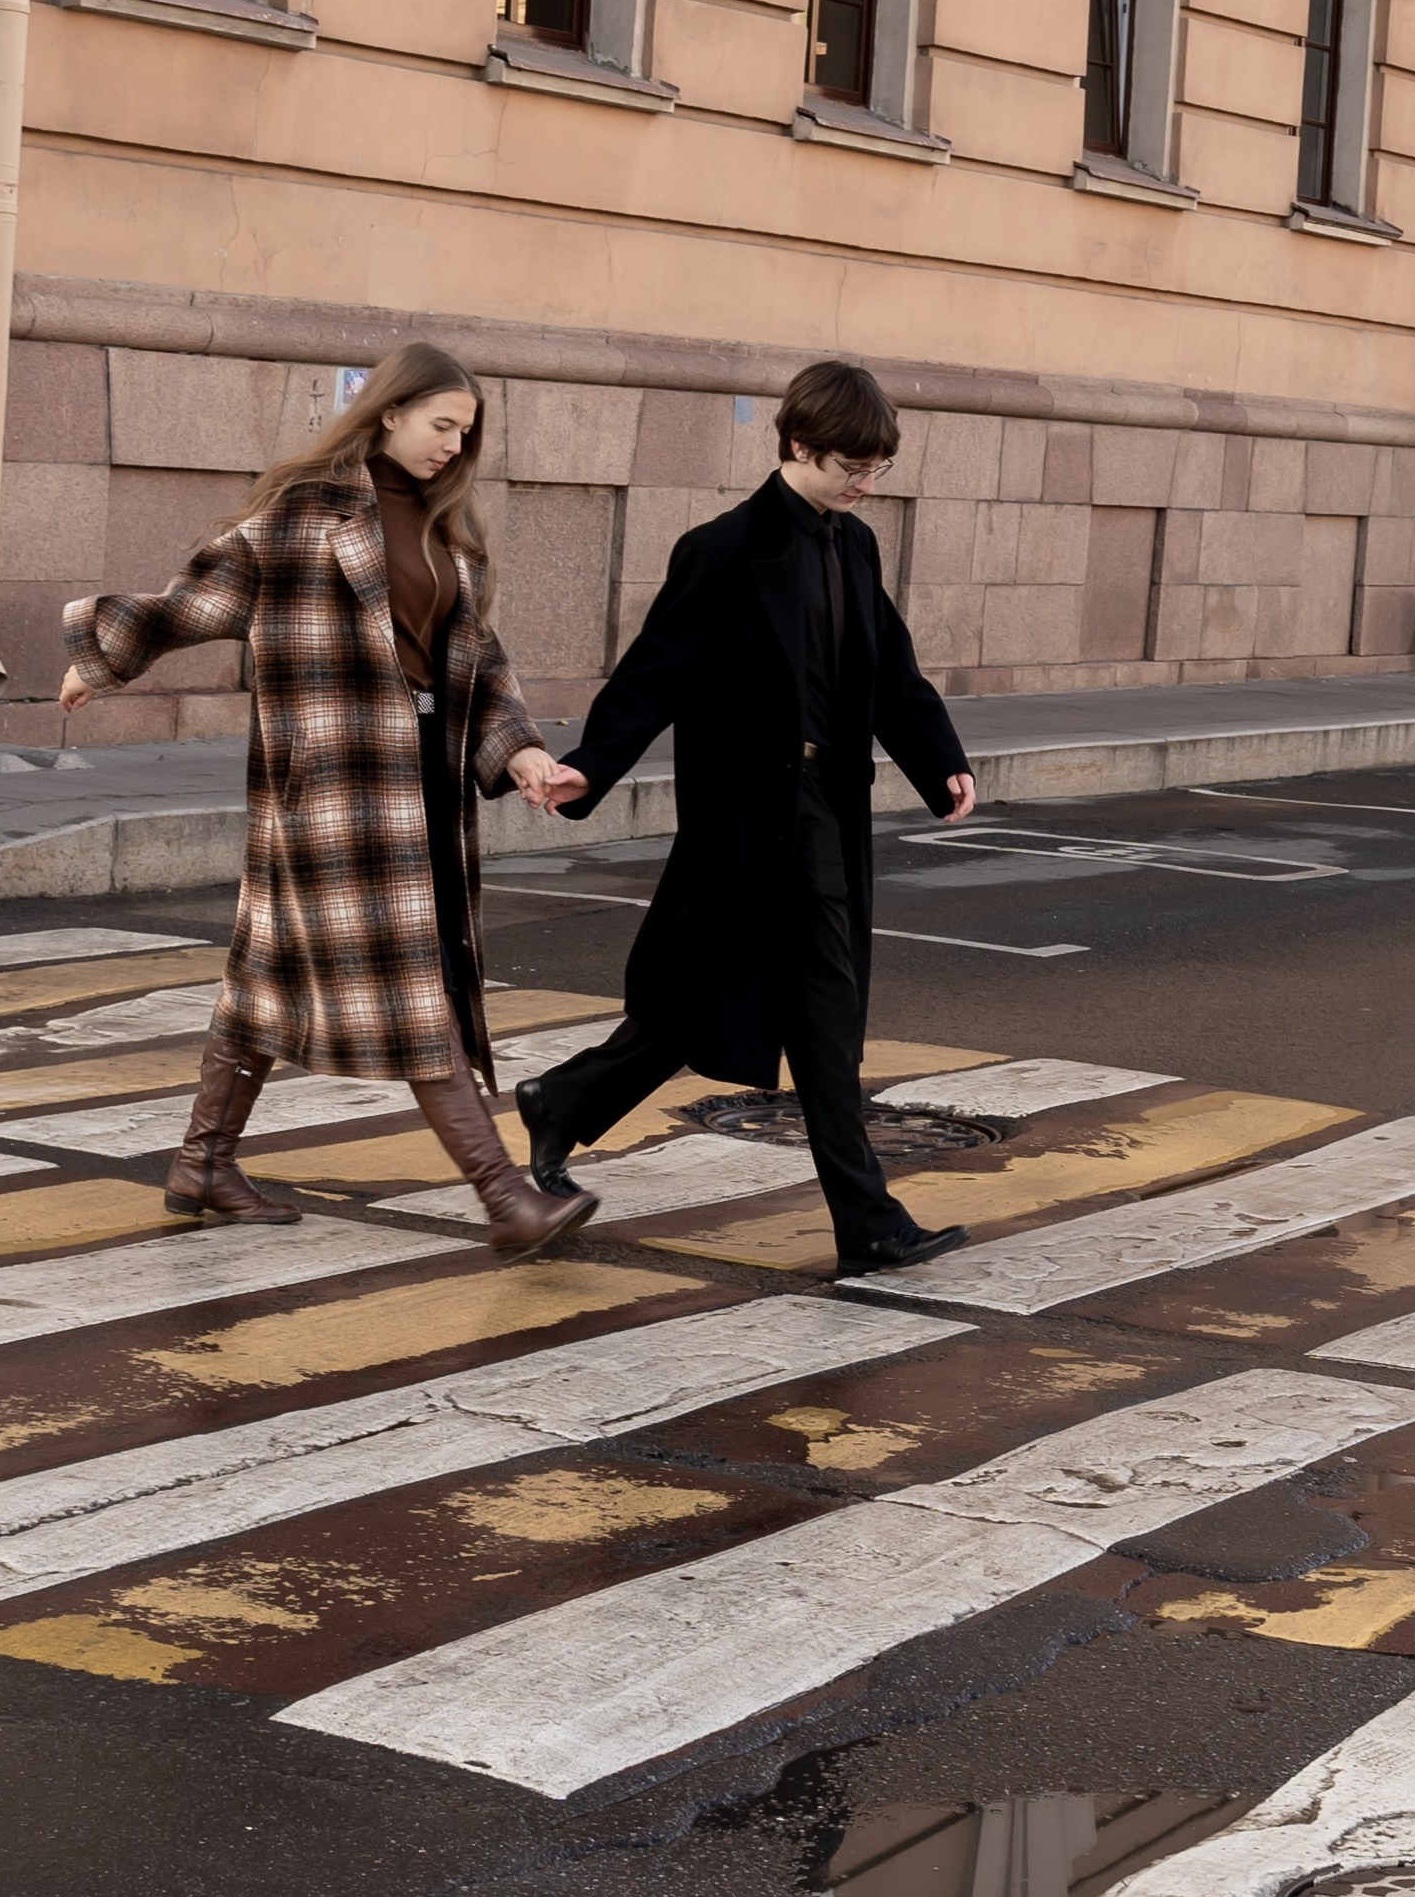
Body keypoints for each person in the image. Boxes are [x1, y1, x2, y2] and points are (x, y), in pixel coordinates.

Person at [59, 342, 598, 1259]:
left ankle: (204, 1163)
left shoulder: (445, 533)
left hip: (421, 779)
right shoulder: (304, 516)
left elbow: (477, 663)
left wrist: (525, 757)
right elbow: (195, 598)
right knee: (412, 984)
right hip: (332, 794)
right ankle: (504, 1196)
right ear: (389, 413)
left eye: (466, 435)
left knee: (266, 981)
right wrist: (100, 662)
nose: (453, 448)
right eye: (441, 427)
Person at [516, 358, 977, 1287]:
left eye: (878, 468)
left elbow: (890, 669)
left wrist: (940, 758)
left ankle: (862, 1221)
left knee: (820, 1018)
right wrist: (588, 766)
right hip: (744, 827)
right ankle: (563, 1102)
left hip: (824, 819)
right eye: (852, 463)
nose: (865, 482)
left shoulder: (853, 547)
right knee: (704, 1006)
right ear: (798, 442)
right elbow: (656, 673)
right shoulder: (723, 550)